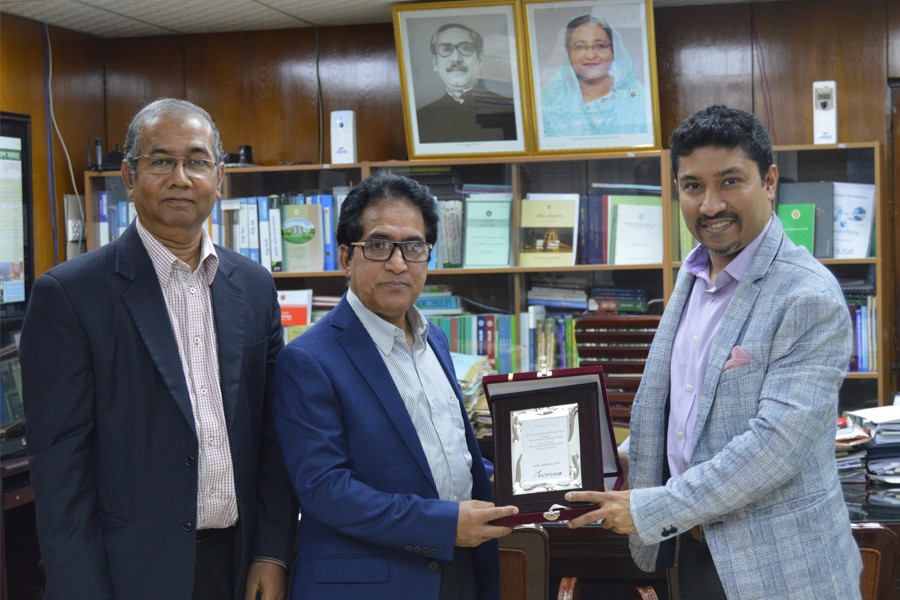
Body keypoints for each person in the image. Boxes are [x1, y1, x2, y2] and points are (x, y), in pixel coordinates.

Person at [564, 105, 862, 599]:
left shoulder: (806, 295)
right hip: (695, 550)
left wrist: (650, 507)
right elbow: (684, 408)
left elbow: (774, 448)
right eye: (693, 186)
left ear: (769, 182)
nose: (709, 206)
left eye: (729, 182)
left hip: (780, 570)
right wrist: (621, 457)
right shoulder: (694, 272)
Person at [20, 98, 297, 600]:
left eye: (196, 161)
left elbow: (273, 437)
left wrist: (272, 552)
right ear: (128, 175)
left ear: (220, 177)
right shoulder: (70, 295)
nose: (180, 177)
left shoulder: (254, 287)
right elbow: (61, 473)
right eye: (160, 160)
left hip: (237, 566)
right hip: (128, 573)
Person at [272, 171, 518, 599]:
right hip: (372, 583)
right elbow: (326, 491)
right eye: (380, 245)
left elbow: (449, 453)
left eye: (414, 247)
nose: (399, 264)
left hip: (461, 570)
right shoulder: (308, 359)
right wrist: (444, 524)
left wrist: (516, 480)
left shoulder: (434, 339)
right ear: (346, 257)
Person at [540, 15, 648, 137]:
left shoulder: (642, 100)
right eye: (580, 47)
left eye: (600, 46)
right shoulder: (548, 100)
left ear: (614, 51)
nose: (591, 55)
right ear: (568, 54)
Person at [416, 23, 517, 144]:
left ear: (480, 59)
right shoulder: (421, 118)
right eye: (446, 49)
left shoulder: (509, 112)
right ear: (435, 63)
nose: (455, 58)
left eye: (465, 48)